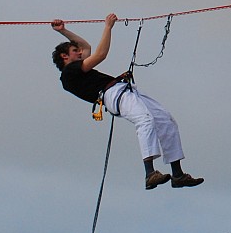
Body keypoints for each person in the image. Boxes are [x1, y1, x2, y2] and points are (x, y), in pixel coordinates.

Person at [51, 14, 204, 190]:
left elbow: (87, 46)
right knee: (145, 119)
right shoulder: (69, 73)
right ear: (64, 56)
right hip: (111, 95)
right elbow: (100, 54)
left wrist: (63, 31)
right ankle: (150, 173)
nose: (80, 52)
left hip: (123, 90)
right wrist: (108, 27)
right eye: (74, 51)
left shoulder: (76, 67)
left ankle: (177, 175)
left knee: (165, 120)